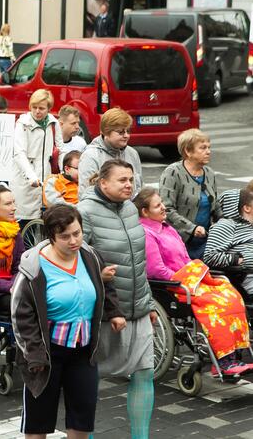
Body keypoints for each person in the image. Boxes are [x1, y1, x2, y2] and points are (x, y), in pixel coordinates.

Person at [12, 204, 125, 439]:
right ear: (51, 237)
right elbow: (21, 315)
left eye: (77, 233)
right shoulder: (33, 267)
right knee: (38, 423)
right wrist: (34, 355)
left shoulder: (90, 255)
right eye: (65, 237)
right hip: (46, 354)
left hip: (83, 351)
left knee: (82, 420)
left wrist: (114, 312)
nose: (73, 241)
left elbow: (104, 283)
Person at [77, 159, 155, 439]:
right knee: (92, 379)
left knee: (144, 372)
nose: (129, 185)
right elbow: (73, 259)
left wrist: (149, 303)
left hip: (138, 307)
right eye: (122, 180)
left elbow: (139, 260)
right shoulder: (84, 211)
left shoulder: (131, 209)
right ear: (103, 183)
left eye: (131, 179)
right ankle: (87, 435)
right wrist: (99, 274)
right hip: (106, 312)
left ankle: (141, 437)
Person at [136, 187, 250, 374]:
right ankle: (224, 360)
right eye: (158, 206)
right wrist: (185, 279)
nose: (164, 208)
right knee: (216, 305)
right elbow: (156, 269)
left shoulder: (168, 228)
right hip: (173, 285)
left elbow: (185, 258)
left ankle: (234, 353)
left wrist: (194, 273)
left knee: (231, 295)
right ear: (145, 212)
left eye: (162, 203)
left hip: (189, 278)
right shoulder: (147, 233)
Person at [159, 129, 220, 260]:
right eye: (203, 148)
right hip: (180, 241)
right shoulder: (172, 172)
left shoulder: (209, 173)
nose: (208, 151)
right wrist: (192, 228)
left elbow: (216, 206)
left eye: (209, 147)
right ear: (188, 151)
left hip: (206, 240)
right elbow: (166, 209)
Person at [11, 89, 65, 223]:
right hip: (25, 180)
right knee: (24, 220)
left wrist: (64, 171)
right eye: (34, 107)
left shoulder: (54, 123)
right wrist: (31, 177)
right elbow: (19, 154)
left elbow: (61, 149)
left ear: (49, 108)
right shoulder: (22, 124)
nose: (37, 111)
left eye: (41, 108)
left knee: (44, 221)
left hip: (46, 179)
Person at [78, 107, 142, 199]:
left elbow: (139, 189)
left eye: (128, 131)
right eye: (120, 132)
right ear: (106, 132)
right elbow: (85, 194)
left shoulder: (132, 153)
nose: (126, 135)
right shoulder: (91, 156)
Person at [204, 188, 253, 296]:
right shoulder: (226, 225)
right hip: (246, 278)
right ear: (247, 208)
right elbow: (209, 256)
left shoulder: (249, 226)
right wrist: (238, 259)